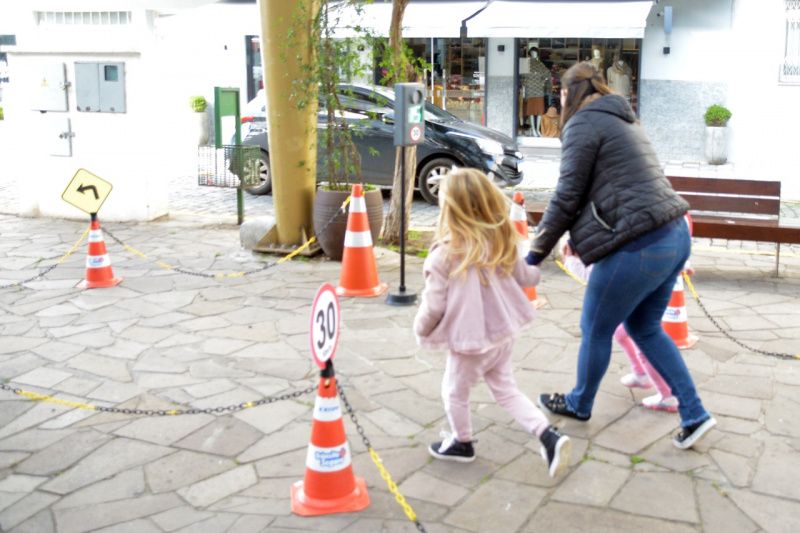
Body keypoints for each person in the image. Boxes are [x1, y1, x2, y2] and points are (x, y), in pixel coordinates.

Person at [526, 62, 716, 450]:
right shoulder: (624, 119)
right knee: (645, 328)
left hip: (641, 243)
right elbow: (611, 191)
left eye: (560, 94)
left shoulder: (581, 123)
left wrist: (533, 254)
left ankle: (580, 403)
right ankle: (695, 414)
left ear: (569, 93)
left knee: (595, 327)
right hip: (674, 234)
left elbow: (567, 195)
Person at [414, 168, 571, 477]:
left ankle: (462, 442)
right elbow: (528, 276)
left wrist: (421, 328)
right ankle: (548, 436)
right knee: (505, 388)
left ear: (449, 208)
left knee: (454, 392)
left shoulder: (443, 255)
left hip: (471, 343)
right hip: (503, 333)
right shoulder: (500, 241)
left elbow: (434, 305)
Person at [559, 235, 689, 412]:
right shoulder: (613, 237)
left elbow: (597, 278)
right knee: (623, 333)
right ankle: (642, 374)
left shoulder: (605, 255)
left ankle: (668, 395)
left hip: (635, 285)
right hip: (648, 273)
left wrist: (570, 262)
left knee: (643, 339)